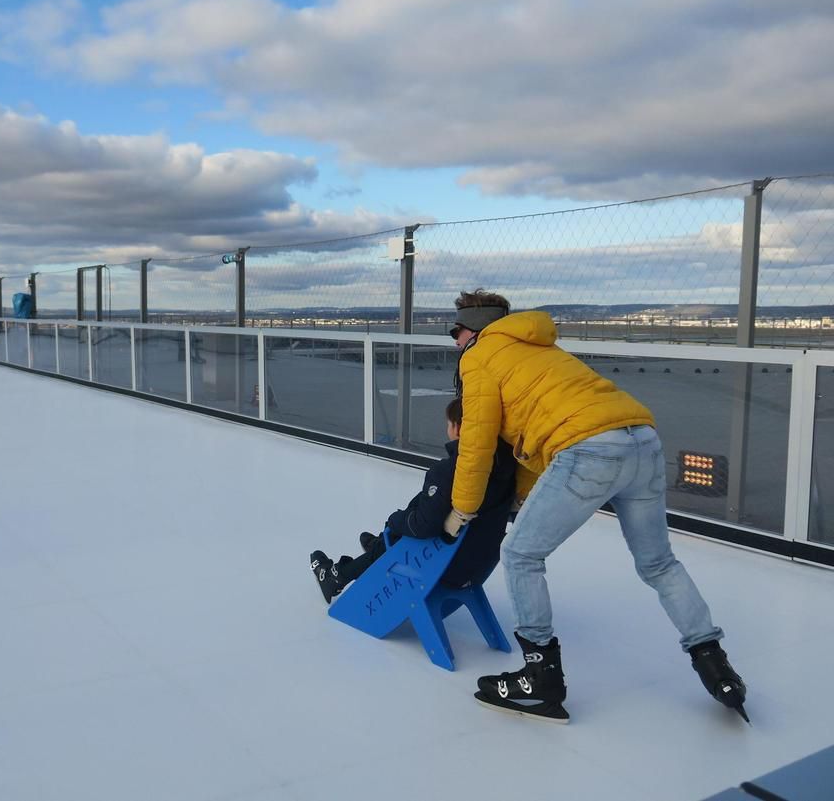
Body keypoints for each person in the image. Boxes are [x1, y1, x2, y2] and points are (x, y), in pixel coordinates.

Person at [445, 289, 746, 724]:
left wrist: (462, 509)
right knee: (658, 563)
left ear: (474, 329)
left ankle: (540, 677)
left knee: (520, 554)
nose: (454, 340)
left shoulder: (479, 357)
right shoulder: (539, 346)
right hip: (641, 438)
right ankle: (714, 663)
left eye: (455, 331)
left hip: (590, 451)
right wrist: (526, 499)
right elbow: (536, 439)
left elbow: (477, 442)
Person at [310, 398, 516, 603]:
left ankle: (337, 576)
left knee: (403, 529)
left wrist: (394, 520)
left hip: (442, 567)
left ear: (459, 429)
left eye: (448, 424)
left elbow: (422, 527)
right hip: (475, 566)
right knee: (423, 508)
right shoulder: (506, 471)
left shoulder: (449, 472)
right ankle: (380, 545)